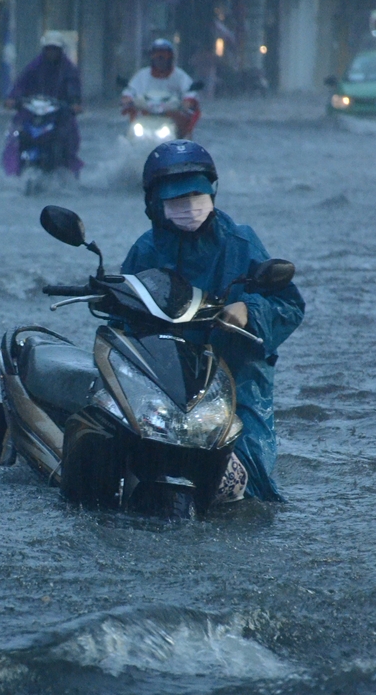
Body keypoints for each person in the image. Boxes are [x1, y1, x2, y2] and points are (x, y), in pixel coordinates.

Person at [121, 140, 305, 502]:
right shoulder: (145, 250)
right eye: (176, 199)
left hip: (237, 373)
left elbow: (289, 303)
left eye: (197, 195)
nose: (189, 207)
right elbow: (123, 313)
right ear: (154, 204)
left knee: (250, 488)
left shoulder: (240, 242)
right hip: (164, 375)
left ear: (213, 193)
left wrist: (250, 309)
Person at [2, 31, 83, 177]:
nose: (51, 53)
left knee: (68, 135)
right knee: (16, 134)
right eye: (48, 49)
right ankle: (14, 168)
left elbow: (74, 90)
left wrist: (74, 103)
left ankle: (67, 167)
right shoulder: (34, 67)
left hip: (59, 115)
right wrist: (13, 99)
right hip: (34, 112)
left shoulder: (68, 70)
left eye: (55, 49)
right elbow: (21, 84)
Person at [121, 39, 201, 139]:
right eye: (156, 54)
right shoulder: (142, 75)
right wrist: (127, 99)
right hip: (146, 113)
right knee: (130, 132)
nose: (160, 58)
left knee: (185, 131)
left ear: (170, 57)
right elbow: (131, 90)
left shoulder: (180, 76)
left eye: (164, 55)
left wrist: (188, 101)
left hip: (172, 115)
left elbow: (190, 92)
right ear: (151, 57)